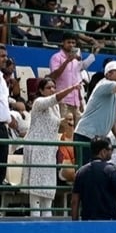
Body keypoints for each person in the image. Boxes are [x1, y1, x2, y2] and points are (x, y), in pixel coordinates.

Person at [21, 78, 82, 217]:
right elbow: (55, 98)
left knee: (48, 191)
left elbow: (50, 123)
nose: (52, 90)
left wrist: (64, 121)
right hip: (37, 148)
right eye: (48, 87)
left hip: (49, 150)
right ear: (41, 90)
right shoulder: (39, 102)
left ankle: (47, 221)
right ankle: (35, 222)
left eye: (54, 87)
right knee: (36, 190)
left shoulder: (54, 107)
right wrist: (71, 88)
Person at [71, 136, 116, 221]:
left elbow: (74, 202)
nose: (112, 152)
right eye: (111, 149)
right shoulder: (111, 171)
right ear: (103, 152)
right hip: (109, 223)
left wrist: (75, 225)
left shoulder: (80, 172)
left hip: (88, 223)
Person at [48, 32, 99, 121]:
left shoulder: (76, 58)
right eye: (69, 42)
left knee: (77, 131)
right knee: (65, 131)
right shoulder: (56, 57)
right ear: (63, 43)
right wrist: (67, 61)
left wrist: (94, 54)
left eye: (73, 43)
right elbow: (53, 76)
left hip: (77, 101)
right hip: (63, 101)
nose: (71, 45)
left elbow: (82, 67)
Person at [0, 45, 13, 185]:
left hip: (3, 127)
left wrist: (9, 119)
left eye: (6, 56)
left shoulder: (2, 79)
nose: (5, 59)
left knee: (1, 169)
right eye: (2, 56)